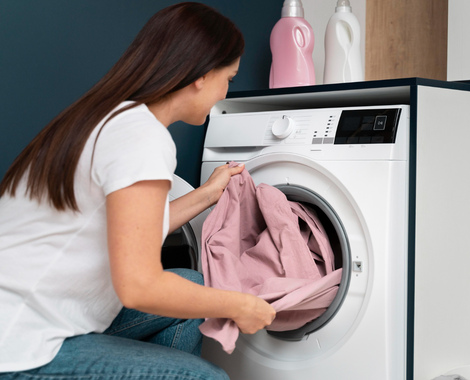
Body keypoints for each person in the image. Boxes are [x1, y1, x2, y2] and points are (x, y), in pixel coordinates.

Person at [0, 3, 276, 379]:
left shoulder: (110, 118)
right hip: (20, 344)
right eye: (228, 78)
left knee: (190, 287)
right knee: (207, 377)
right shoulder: (142, 138)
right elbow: (139, 287)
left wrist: (209, 194)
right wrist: (240, 304)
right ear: (202, 75)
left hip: (29, 312)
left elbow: (132, 231)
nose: (224, 92)